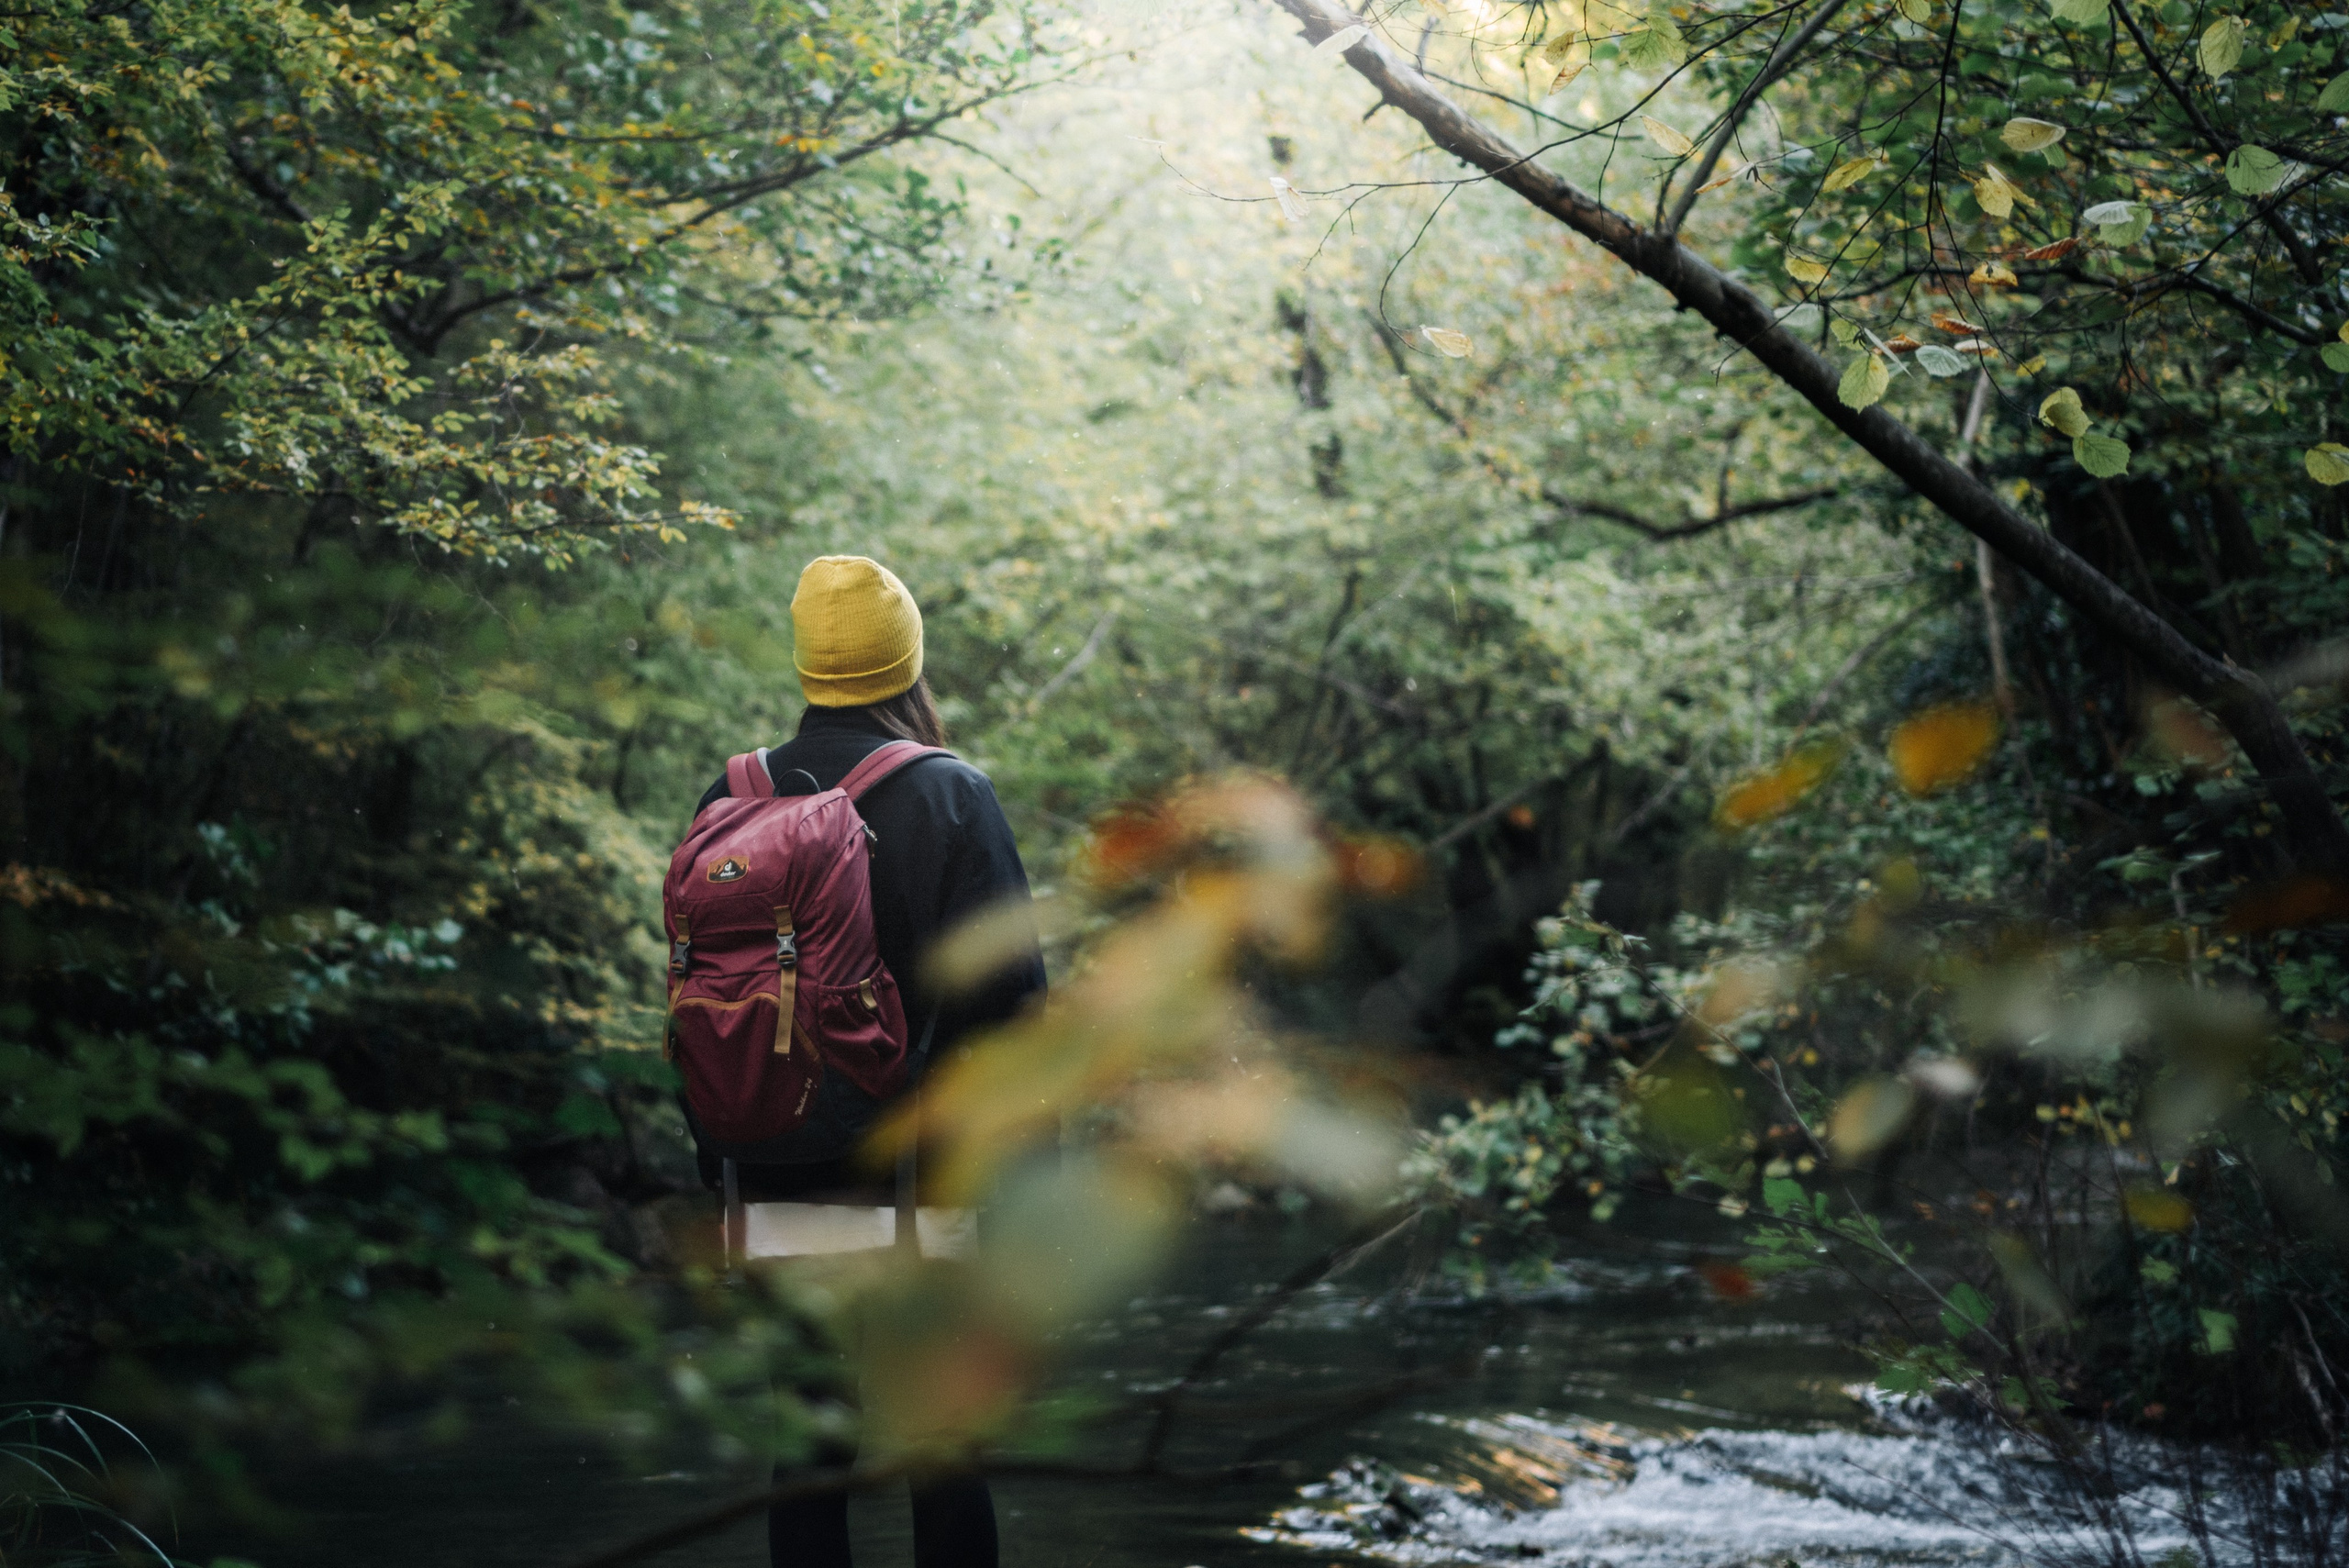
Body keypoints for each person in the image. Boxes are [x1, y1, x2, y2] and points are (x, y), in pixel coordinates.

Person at [689, 554, 1046, 1568]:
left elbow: (704, 992)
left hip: (774, 1165)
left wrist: (715, 1154)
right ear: (906, 664)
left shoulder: (732, 791)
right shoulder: (949, 795)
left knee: (806, 1442)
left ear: (808, 664)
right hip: (924, 1176)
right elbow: (1011, 1008)